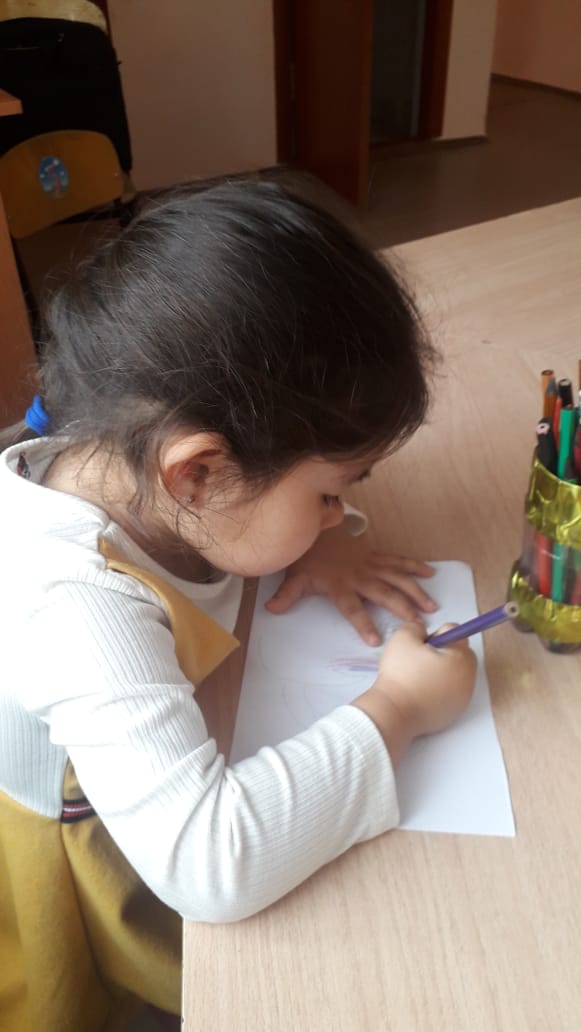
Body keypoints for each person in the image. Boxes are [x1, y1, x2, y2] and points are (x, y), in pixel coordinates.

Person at [0, 181, 476, 1030]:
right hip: (83, 846)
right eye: (330, 492)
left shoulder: (138, 449)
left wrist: (318, 536)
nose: (342, 511)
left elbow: (244, 514)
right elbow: (208, 862)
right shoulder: (76, 608)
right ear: (197, 474)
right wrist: (398, 710)